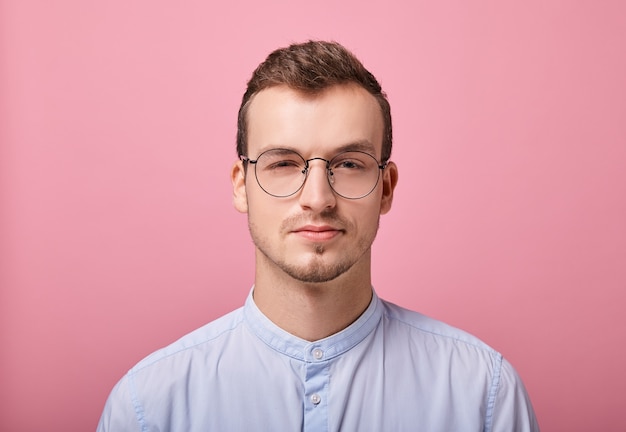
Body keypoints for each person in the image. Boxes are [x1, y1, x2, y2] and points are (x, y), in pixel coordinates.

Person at [97, 40, 539, 431]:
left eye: (348, 164)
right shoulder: (147, 409)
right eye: (283, 163)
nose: (317, 198)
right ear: (240, 185)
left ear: (385, 188)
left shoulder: (484, 395)